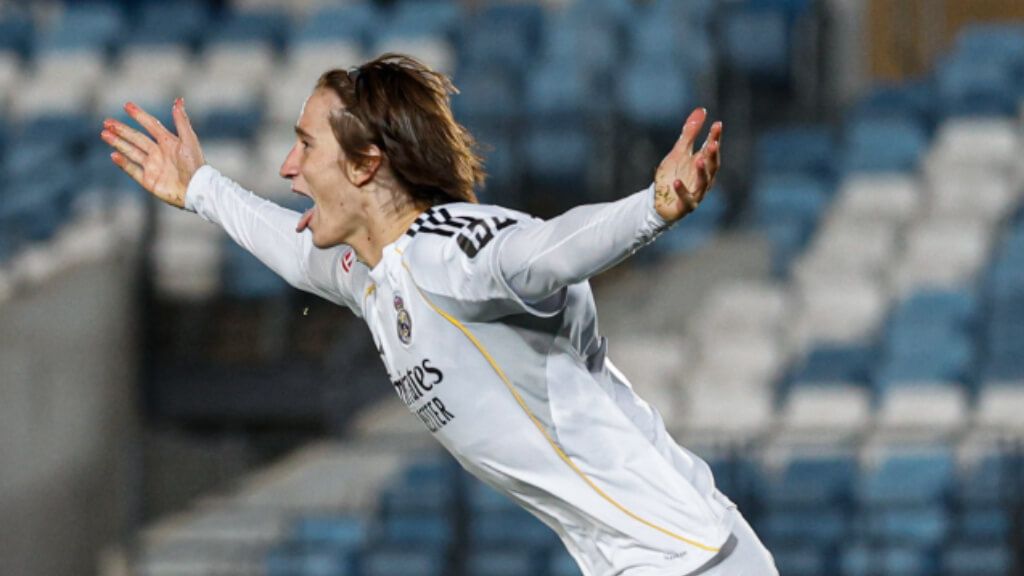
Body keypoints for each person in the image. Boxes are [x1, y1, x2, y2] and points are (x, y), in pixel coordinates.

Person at [100, 53, 777, 576]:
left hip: (692, 560)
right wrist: (201, 187)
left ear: (366, 165)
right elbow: (287, 244)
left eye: (306, 146)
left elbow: (543, 253)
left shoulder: (448, 253)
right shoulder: (374, 275)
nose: (287, 167)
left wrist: (651, 211)